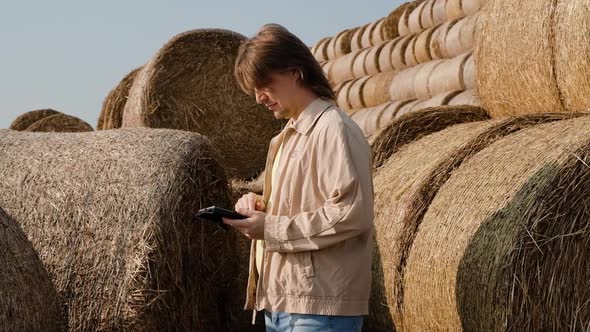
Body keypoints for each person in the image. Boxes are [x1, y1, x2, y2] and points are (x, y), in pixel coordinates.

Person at [223, 23, 374, 332]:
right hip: (282, 305)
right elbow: (303, 202)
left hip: (319, 308)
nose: (258, 98)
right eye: (253, 89)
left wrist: (271, 228)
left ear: (295, 71)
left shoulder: (334, 130)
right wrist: (261, 204)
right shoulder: (287, 138)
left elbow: (351, 213)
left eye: (263, 83)